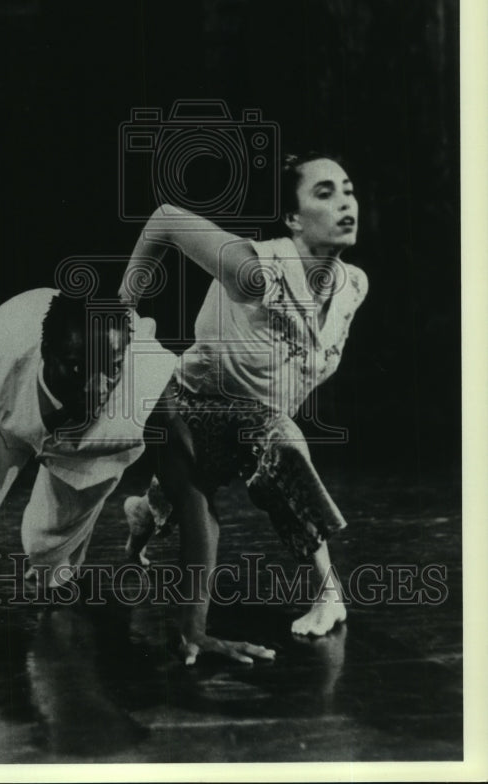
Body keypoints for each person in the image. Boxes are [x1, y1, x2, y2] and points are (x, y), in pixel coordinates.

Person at [0, 287, 276, 667]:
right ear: (46, 355)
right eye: (79, 367)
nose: (98, 390)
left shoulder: (148, 388)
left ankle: (49, 564)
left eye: (111, 370)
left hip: (93, 450)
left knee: (49, 567)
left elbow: (194, 499)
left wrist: (194, 628)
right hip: (4, 420)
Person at [118, 153, 368, 656]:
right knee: (272, 452)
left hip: (253, 424)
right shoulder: (257, 273)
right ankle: (328, 593)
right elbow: (165, 218)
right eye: (324, 193)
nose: (345, 202)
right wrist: (121, 308)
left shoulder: (352, 287)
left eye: (348, 188)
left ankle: (140, 520)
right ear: (294, 219)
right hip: (193, 410)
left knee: (263, 453)